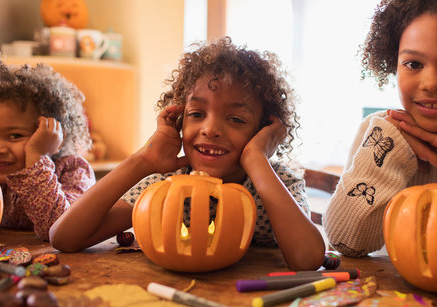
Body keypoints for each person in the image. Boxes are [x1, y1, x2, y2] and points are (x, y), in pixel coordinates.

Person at [50, 37, 326, 271]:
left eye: (236, 119)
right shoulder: (166, 184)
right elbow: (64, 237)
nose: (210, 129)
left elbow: (307, 259)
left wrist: (257, 160)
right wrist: (142, 161)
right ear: (180, 118)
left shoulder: (277, 182)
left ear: (263, 130)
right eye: (196, 114)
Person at [324, 0, 437, 257]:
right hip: (393, 293)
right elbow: (346, 242)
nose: (431, 83)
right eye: (414, 64)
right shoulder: (380, 131)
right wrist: (392, 146)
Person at [0, 56, 95, 241]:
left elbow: (60, 228)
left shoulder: (73, 171)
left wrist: (36, 156)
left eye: (15, 135)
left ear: (52, 134)